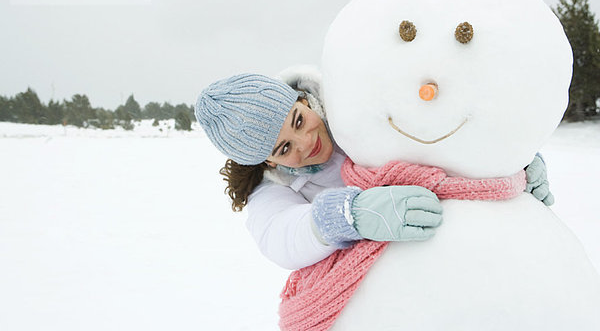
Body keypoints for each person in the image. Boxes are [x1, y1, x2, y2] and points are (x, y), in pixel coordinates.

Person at [195, 71, 553, 270]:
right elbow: (279, 236)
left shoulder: (359, 105)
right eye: (284, 148)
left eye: (298, 121)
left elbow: (439, 125)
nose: (305, 143)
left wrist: (509, 158)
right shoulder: (275, 188)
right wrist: (346, 215)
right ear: (268, 162)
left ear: (302, 100)